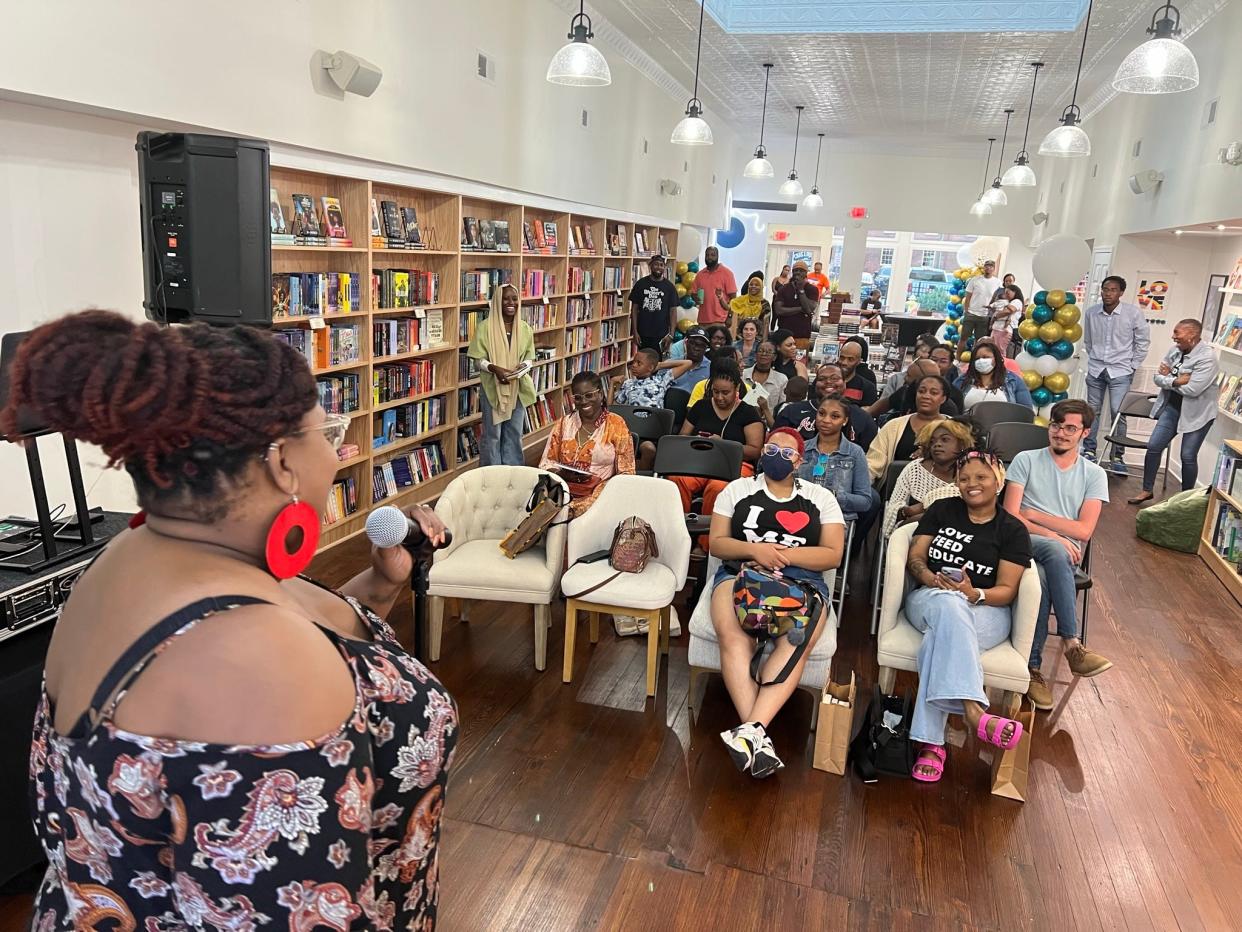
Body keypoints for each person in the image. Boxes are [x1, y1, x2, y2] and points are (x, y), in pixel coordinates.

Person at [6, 311, 455, 928]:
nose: (337, 451)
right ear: (281, 463)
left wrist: (379, 585)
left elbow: (302, 635)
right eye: (326, 432)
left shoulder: (132, 562)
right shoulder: (257, 661)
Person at [710, 427, 845, 777]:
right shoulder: (737, 490)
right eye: (771, 448)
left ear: (799, 461)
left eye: (787, 453)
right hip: (739, 574)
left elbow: (832, 554)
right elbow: (718, 544)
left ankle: (750, 731)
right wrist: (755, 550)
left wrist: (782, 555)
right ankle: (755, 733)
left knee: (793, 642)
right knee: (734, 636)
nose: (777, 456)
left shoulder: (820, 498)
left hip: (802, 582)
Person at [904, 451, 1032, 782]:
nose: (971, 485)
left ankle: (932, 744)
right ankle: (974, 712)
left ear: (999, 482)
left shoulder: (1012, 530)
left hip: (986, 609)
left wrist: (976, 594)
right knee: (949, 606)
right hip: (930, 597)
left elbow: (1007, 589)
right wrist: (931, 578)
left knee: (940, 635)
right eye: (964, 479)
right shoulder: (943, 510)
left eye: (981, 477)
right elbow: (916, 556)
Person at [1003, 399, 1112, 710]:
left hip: (1060, 556)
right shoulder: (1026, 460)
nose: (1060, 433)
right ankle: (1071, 643)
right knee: (1053, 550)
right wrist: (1052, 535)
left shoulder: (1094, 474)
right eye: (1055, 425)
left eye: (1070, 428)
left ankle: (1032, 669)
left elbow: (1084, 531)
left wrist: (1035, 514)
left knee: (1041, 578)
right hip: (1023, 541)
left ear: (1085, 433)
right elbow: (1011, 517)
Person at [1129, 318, 1220, 505]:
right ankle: (1147, 490)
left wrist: (1169, 378)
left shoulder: (1207, 358)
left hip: (1199, 413)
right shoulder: (1175, 351)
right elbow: (1157, 377)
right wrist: (1177, 380)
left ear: (1192, 335)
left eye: (1177, 332)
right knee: (1154, 447)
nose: (1173, 337)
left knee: (1187, 455)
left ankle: (1184, 500)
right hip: (1172, 407)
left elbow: (1193, 390)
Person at [675, 362, 765, 520]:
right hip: (700, 460)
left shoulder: (747, 412)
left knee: (718, 487)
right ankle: (680, 528)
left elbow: (754, 450)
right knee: (677, 479)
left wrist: (722, 445)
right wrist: (695, 442)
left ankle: (706, 540)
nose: (719, 397)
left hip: (735, 464)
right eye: (715, 392)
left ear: (737, 389)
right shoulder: (701, 406)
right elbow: (682, 437)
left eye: (725, 392)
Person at [541, 371, 636, 519]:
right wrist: (560, 473)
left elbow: (627, 472)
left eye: (589, 395)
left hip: (598, 494)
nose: (584, 401)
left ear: (600, 394)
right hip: (564, 488)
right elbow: (546, 463)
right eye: (578, 398)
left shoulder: (616, 424)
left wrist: (600, 491)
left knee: (567, 516)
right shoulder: (564, 424)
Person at [1082, 275, 1151, 473]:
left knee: (1118, 412)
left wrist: (1133, 365)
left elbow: (1143, 342)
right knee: (1091, 411)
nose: (1108, 293)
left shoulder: (1133, 313)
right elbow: (1088, 340)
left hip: (1121, 370)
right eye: (1105, 289)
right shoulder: (1092, 313)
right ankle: (1089, 451)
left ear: (1121, 293)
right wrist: (1093, 357)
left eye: (1113, 290)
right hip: (1096, 369)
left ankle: (1118, 456)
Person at [799, 394, 881, 542]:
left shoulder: (855, 453)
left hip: (836, 520)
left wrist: (832, 496)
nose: (825, 420)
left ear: (845, 421)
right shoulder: (801, 448)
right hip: (799, 515)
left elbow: (865, 501)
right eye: (821, 413)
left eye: (835, 416)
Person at [470, 282, 536, 466]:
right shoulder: (485, 328)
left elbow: (530, 357)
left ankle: (512, 474)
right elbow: (477, 360)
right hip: (493, 388)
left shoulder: (525, 329)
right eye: (506, 298)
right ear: (497, 301)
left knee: (514, 432)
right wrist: (495, 369)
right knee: (493, 435)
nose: (511, 303)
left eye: (514, 299)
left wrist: (524, 366)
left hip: (517, 388)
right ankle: (491, 475)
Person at [882, 418, 975, 539]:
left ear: (961, 444)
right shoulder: (915, 469)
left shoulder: (972, 471)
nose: (937, 444)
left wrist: (928, 509)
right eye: (932, 441)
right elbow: (891, 511)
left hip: (959, 536)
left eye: (945, 439)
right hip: (913, 533)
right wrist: (909, 511)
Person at [867, 373, 951, 480]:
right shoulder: (893, 426)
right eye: (921, 391)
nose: (926, 396)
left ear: (943, 398)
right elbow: (873, 464)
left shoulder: (956, 428)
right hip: (894, 487)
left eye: (933, 393)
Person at [868, 359, 963, 422]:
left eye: (908, 375)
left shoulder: (948, 409)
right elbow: (877, 408)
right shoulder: (905, 392)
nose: (904, 379)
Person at [953, 338, 1034, 411]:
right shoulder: (962, 381)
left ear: (996, 358)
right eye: (977, 358)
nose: (981, 361)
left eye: (985, 357)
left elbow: (1026, 411)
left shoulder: (1013, 381)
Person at [812, 363, 878, 451]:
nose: (828, 381)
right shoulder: (792, 411)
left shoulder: (863, 419)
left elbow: (870, 457)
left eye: (834, 378)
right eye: (822, 379)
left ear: (844, 383)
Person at [629, 253, 679, 352]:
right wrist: (634, 332)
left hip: (661, 334)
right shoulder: (640, 284)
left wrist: (671, 334)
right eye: (656, 264)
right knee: (643, 361)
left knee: (658, 363)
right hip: (643, 332)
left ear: (664, 267)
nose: (658, 267)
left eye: (661, 265)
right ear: (650, 265)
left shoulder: (669, 287)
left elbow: (673, 311)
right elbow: (634, 309)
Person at [612, 346, 690, 408]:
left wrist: (659, 365)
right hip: (633, 423)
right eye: (633, 362)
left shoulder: (661, 380)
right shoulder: (628, 383)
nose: (634, 365)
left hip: (653, 423)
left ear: (650, 367)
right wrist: (612, 383)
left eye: (639, 363)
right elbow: (612, 409)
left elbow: (688, 363)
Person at [957, 259, 1002, 357]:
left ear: (994, 269)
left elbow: (998, 298)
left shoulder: (997, 282)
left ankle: (974, 359)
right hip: (971, 313)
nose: (988, 268)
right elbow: (968, 296)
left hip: (985, 316)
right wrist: (966, 310)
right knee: (963, 337)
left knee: (979, 341)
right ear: (984, 267)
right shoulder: (975, 280)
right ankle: (957, 359)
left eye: (991, 266)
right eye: (986, 266)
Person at [773, 260, 819, 343]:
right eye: (795, 270)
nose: (798, 272)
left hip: (802, 335)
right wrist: (800, 309)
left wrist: (801, 290)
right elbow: (779, 310)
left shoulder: (813, 289)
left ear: (806, 273)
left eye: (801, 271)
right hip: (784, 336)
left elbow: (810, 309)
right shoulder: (783, 289)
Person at [879, 335, 937, 399]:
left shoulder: (939, 383)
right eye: (919, 349)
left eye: (926, 351)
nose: (923, 355)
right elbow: (883, 404)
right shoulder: (897, 379)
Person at [694, 245, 738, 327]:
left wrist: (730, 317)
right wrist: (697, 298)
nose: (709, 257)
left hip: (720, 321)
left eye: (712, 255)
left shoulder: (727, 273)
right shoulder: (700, 275)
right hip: (702, 321)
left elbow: (734, 299)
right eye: (707, 255)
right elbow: (693, 293)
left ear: (718, 256)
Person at [666, 326, 711, 393]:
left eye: (701, 345)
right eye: (693, 343)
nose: (696, 348)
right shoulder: (670, 365)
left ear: (706, 349)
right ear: (686, 343)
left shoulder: (711, 368)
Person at [837, 340, 878, 406]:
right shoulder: (825, 381)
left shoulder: (868, 388)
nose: (844, 362)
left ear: (859, 361)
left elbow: (868, 414)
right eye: (842, 358)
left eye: (850, 359)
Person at [731, 275, 771, 341]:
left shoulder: (764, 304)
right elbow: (732, 314)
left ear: (761, 287)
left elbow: (766, 324)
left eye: (756, 285)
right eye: (751, 284)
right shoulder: (740, 301)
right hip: (740, 338)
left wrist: (764, 342)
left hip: (757, 339)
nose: (753, 286)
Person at [987, 284, 1024, 355]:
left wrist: (996, 315)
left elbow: (1009, 311)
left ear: (1015, 292)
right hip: (998, 328)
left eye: (1008, 293)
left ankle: (1001, 365)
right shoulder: (1008, 302)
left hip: (1004, 329)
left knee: (999, 352)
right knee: (994, 350)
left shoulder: (1017, 301)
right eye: (1005, 293)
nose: (1006, 295)